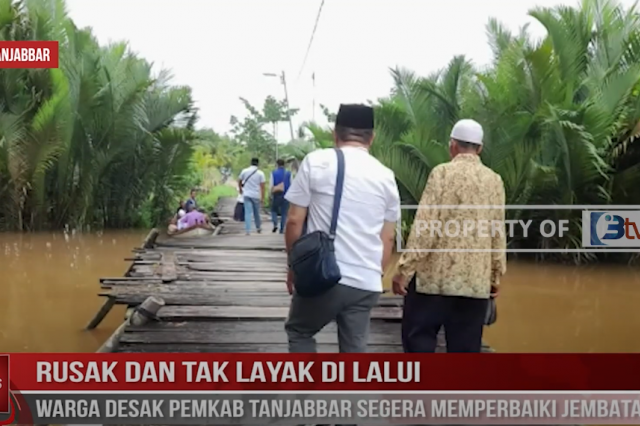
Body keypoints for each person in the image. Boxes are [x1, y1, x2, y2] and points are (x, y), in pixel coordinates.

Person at [284, 104, 400, 353]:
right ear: (372, 138)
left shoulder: (316, 162)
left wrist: (294, 266)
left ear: (335, 133)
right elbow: (388, 237)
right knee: (354, 350)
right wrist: (374, 275)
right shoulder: (386, 176)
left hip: (322, 275)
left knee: (300, 330)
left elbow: (294, 220)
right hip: (366, 282)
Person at [392, 119, 507, 353]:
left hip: (434, 282)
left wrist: (404, 270)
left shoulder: (442, 174)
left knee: (419, 340)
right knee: (465, 352)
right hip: (474, 282)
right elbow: (497, 232)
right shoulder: (494, 180)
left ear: (452, 145)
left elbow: (425, 226)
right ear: (480, 148)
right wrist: (495, 275)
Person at [238, 158, 266, 235]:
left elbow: (239, 180)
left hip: (246, 194)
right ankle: (258, 227)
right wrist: (262, 198)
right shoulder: (261, 173)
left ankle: (248, 230)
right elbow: (262, 187)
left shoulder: (244, 171)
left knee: (248, 212)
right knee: (256, 212)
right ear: (258, 164)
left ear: (251, 163)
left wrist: (240, 189)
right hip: (256, 195)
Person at [270, 158, 292, 233]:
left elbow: (271, 184)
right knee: (284, 213)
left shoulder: (273, 173)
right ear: (284, 164)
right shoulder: (289, 173)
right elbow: (292, 184)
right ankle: (282, 229)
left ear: (277, 164)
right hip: (286, 195)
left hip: (276, 194)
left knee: (273, 210)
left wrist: (270, 193)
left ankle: (275, 223)